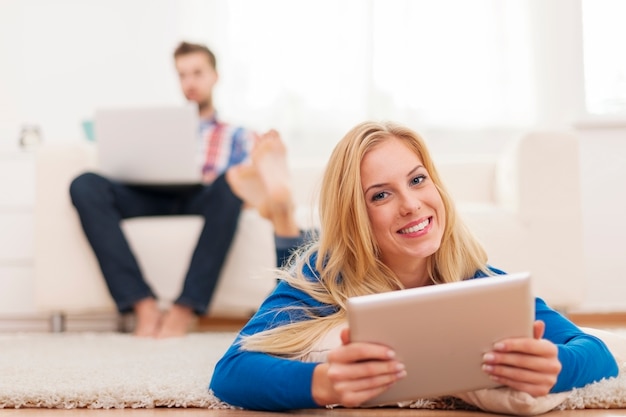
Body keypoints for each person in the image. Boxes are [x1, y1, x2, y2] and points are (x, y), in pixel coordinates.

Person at [209, 121, 619, 412]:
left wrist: (557, 369)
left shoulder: (479, 279)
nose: (410, 204)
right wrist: (321, 383)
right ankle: (282, 214)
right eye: (381, 195)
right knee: (295, 255)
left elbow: (596, 352)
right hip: (327, 263)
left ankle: (282, 213)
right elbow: (230, 371)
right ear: (357, 215)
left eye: (418, 180)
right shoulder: (323, 274)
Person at [69, 41, 297, 339]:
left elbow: (245, 189)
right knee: (84, 184)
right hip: (151, 194)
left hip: (207, 197)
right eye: (182, 75)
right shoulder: (155, 128)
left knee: (229, 186)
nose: (189, 82)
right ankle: (143, 305)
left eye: (197, 73)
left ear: (215, 76)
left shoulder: (238, 135)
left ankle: (184, 309)